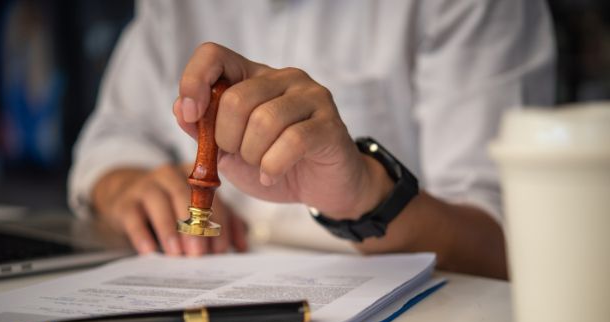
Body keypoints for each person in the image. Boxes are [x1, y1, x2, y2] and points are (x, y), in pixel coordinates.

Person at [69, 0, 555, 280]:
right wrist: (128, 186)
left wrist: (367, 198)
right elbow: (111, 136)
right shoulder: (173, 8)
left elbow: (509, 244)